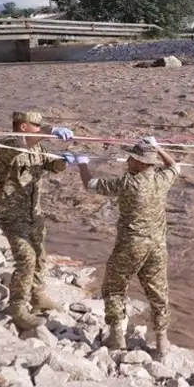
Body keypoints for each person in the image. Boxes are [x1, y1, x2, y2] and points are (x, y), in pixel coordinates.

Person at [69, 136, 181, 359]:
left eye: (133, 158)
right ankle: (162, 341)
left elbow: (90, 185)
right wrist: (158, 147)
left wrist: (81, 163)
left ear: (140, 163)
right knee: (158, 292)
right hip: (157, 246)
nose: (128, 160)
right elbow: (175, 166)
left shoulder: (127, 183)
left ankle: (116, 336)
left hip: (131, 245)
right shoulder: (161, 180)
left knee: (113, 287)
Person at [0, 111, 75, 330]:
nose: (40, 129)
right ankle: (18, 307)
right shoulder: (8, 144)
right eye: (36, 126)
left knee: (40, 256)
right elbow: (26, 143)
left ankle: (38, 297)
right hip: (11, 215)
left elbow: (52, 166)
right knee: (27, 259)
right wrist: (51, 131)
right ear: (23, 127)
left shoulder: (38, 147)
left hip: (33, 213)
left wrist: (64, 161)